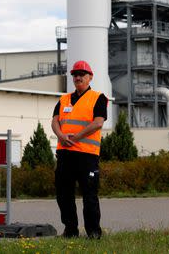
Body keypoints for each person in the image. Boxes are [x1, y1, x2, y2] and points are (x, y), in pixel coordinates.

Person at [51, 60, 108, 239]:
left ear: (90, 77)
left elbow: (98, 122)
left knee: (89, 195)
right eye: (75, 74)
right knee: (63, 194)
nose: (78, 77)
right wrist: (61, 136)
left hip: (86, 155)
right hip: (65, 154)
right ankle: (70, 231)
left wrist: (76, 138)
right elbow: (54, 121)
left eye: (82, 74)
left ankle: (93, 232)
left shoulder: (98, 98)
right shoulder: (64, 99)